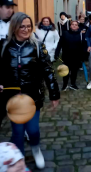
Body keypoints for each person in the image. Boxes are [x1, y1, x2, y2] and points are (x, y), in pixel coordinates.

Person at [0, 12, 60, 169]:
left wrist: (54, 93)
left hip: (33, 96)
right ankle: (17, 162)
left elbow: (48, 71)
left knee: (33, 130)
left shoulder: (37, 46)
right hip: (12, 98)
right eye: (22, 26)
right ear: (15, 27)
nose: (26, 29)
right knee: (18, 133)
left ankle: (35, 148)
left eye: (28, 26)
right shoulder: (4, 46)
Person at [0, 0, 16, 128]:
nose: (10, 10)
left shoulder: (16, 24)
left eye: (12, 8)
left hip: (13, 71)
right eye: (7, 7)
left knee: (16, 105)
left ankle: (23, 130)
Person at [55, 21, 84, 91]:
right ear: (70, 26)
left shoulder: (80, 34)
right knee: (65, 71)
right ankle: (65, 85)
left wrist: (82, 56)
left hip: (76, 57)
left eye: (75, 25)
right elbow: (60, 44)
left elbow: (82, 46)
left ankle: (73, 84)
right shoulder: (65, 33)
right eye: (72, 24)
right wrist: (57, 53)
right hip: (66, 56)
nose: (74, 26)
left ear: (78, 26)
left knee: (74, 71)